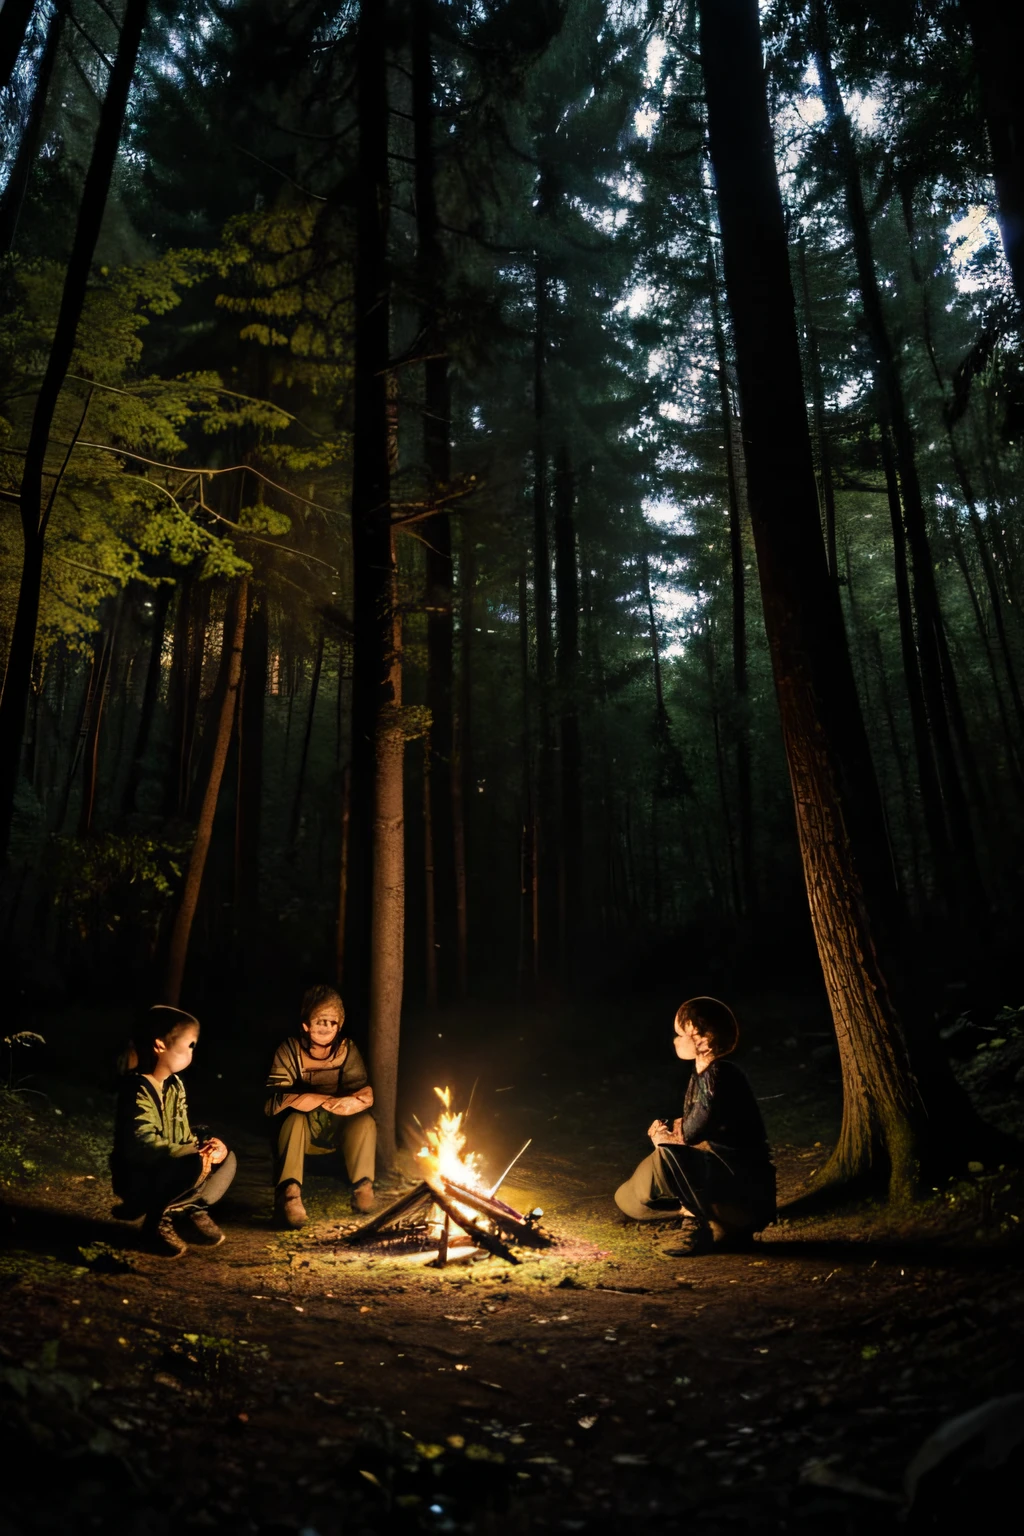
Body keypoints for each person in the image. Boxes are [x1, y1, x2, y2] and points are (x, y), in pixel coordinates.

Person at [614, 996, 776, 1255]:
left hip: (741, 1186)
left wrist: (667, 1138)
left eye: (681, 1034)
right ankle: (699, 1215)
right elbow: (698, 1124)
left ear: (703, 1038)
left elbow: (693, 1133)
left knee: (666, 1156)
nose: (675, 1040)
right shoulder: (704, 1073)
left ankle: (699, 1223)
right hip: (725, 1176)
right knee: (627, 1197)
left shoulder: (718, 1075)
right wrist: (672, 1128)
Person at [111, 1004, 236, 1258]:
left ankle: (187, 1209)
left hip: (168, 1166)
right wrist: (191, 1151)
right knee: (192, 1162)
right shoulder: (138, 1088)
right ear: (160, 1046)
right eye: (190, 1045)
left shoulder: (174, 1084)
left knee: (227, 1158)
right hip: (138, 1174)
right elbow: (142, 1144)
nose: (193, 1051)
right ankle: (154, 1224)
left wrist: (208, 1145)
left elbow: (182, 1132)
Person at [265, 984, 376, 1228]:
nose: (325, 1027)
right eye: (319, 1021)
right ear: (306, 1024)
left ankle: (363, 1187)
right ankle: (290, 1195)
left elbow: (363, 1089)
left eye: (331, 1022)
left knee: (365, 1122)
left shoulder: (347, 1051)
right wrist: (313, 1100)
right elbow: (273, 1100)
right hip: (304, 1128)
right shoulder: (290, 1050)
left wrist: (352, 1102)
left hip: (335, 1126)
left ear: (340, 1024)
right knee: (293, 1121)